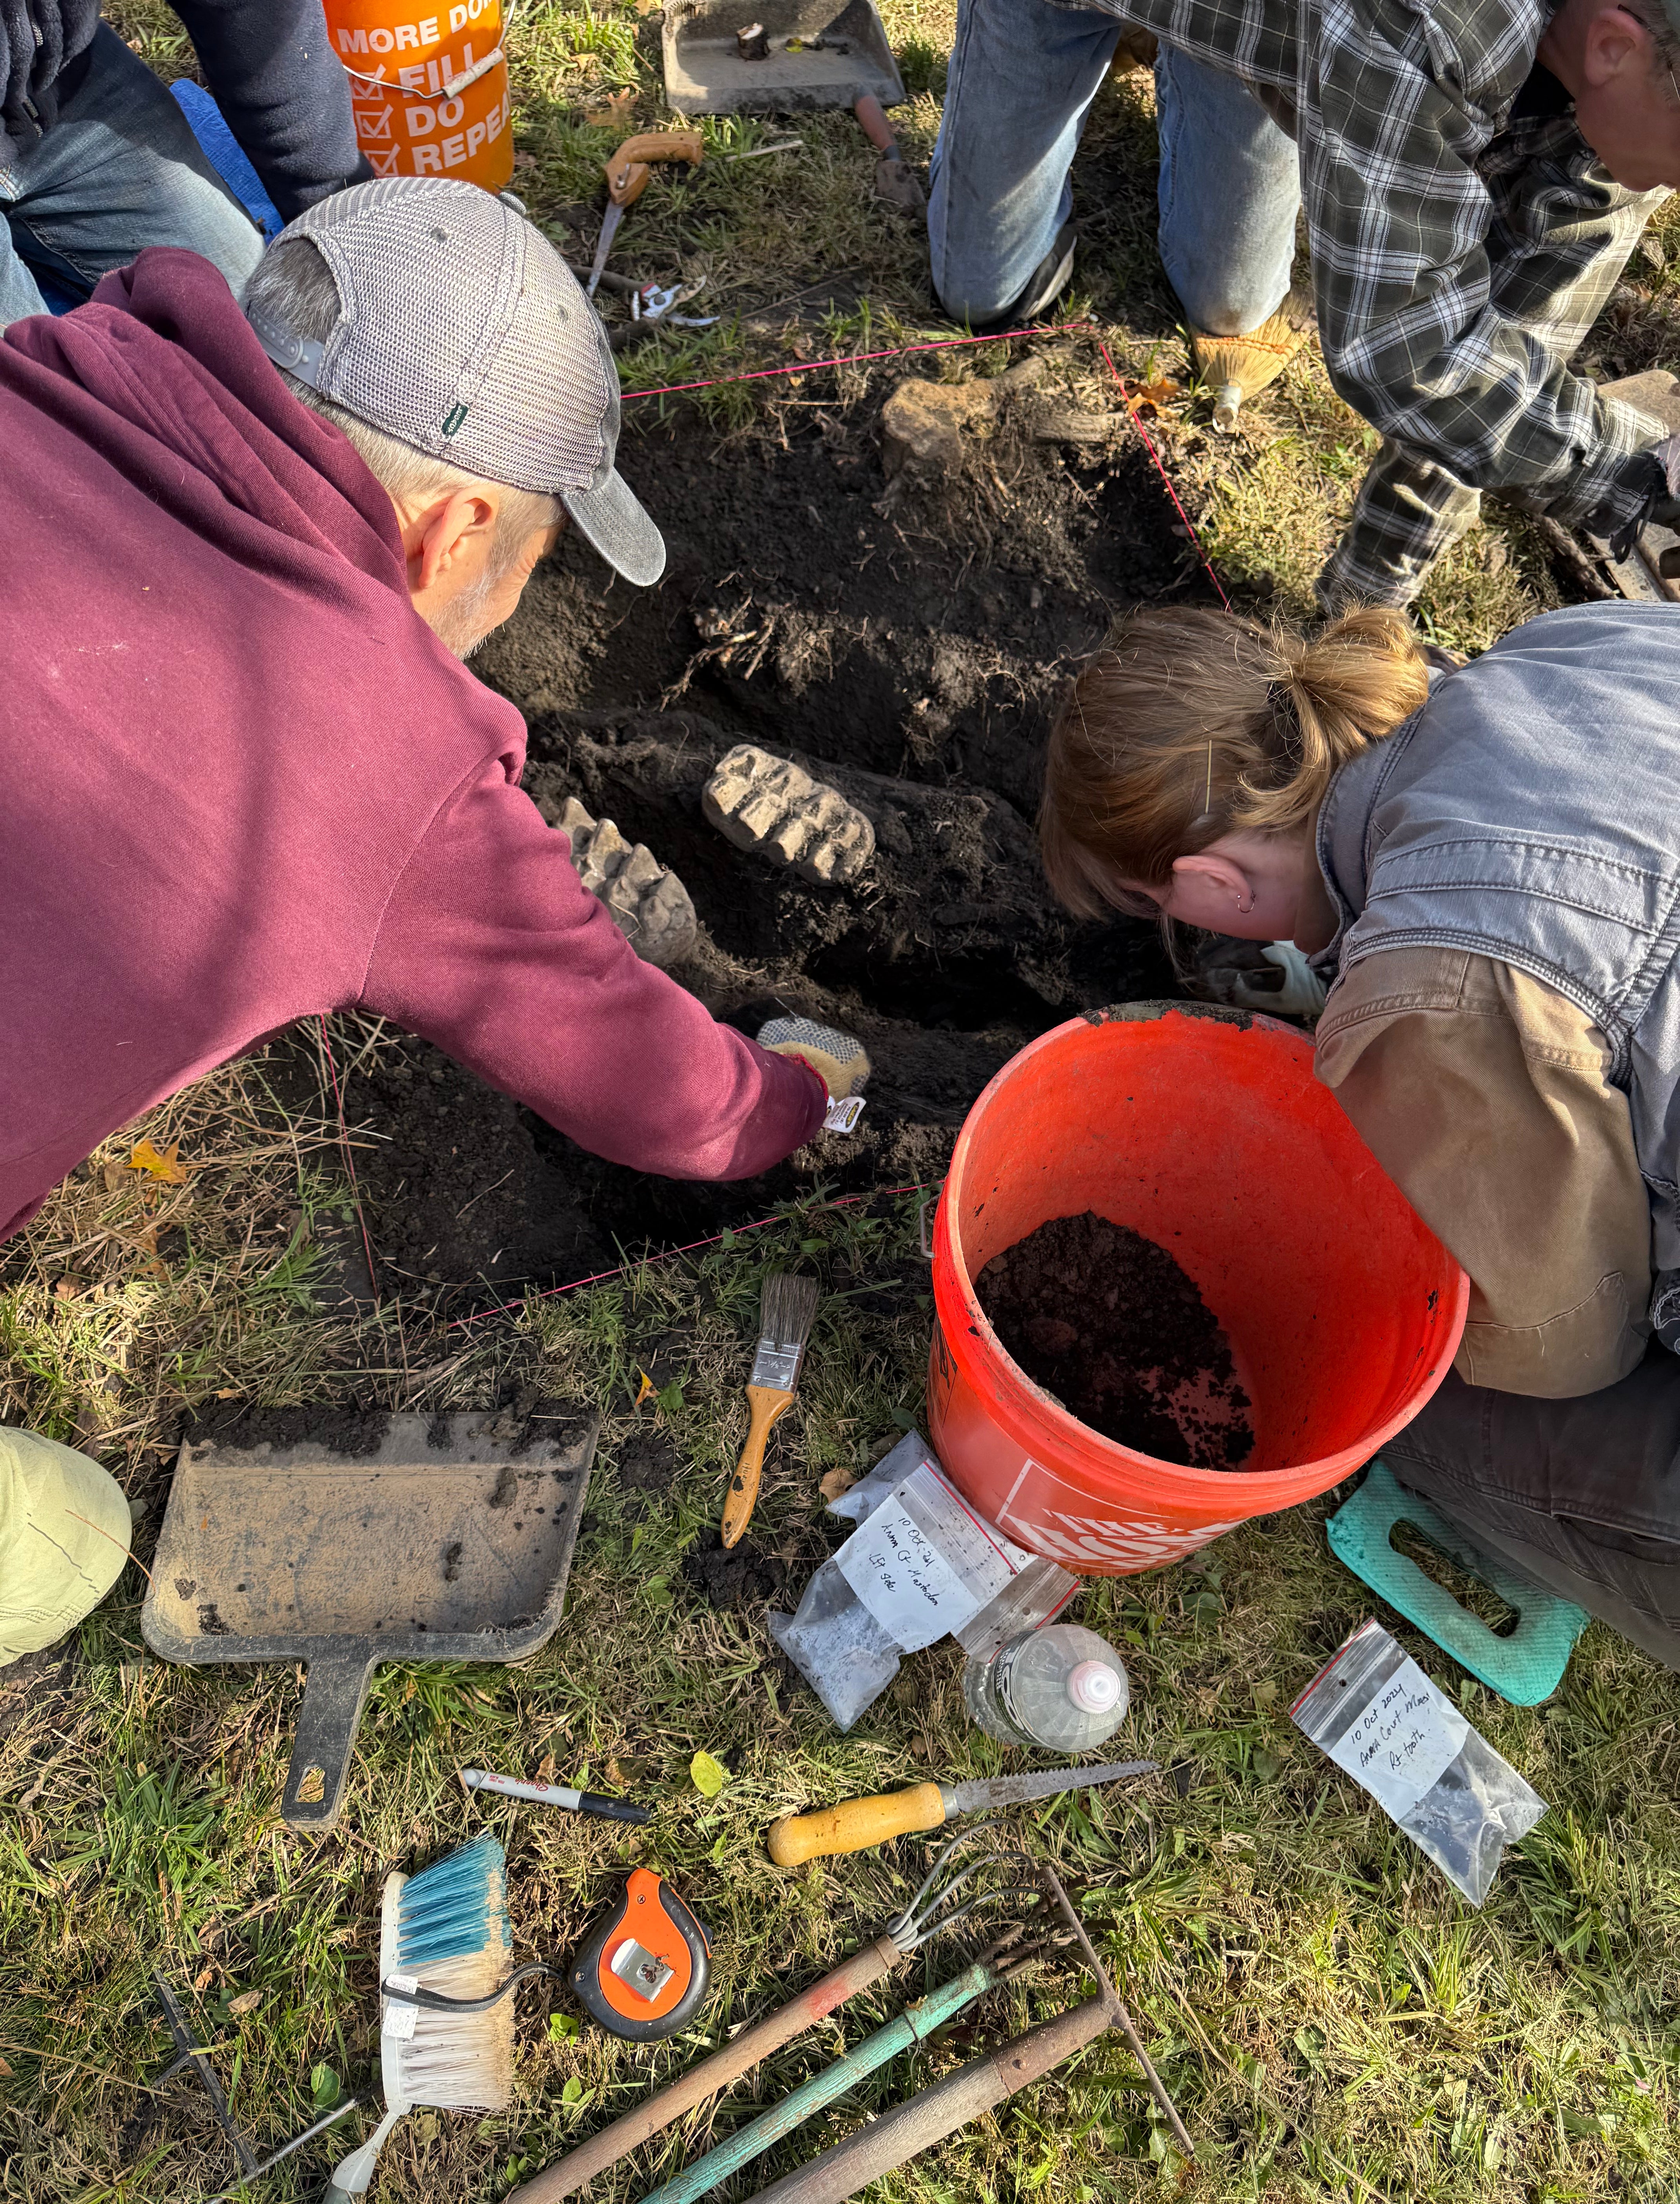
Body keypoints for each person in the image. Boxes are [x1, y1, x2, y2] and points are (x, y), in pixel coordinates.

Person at [0, 175, 868, 1659]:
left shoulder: (42, 374)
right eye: (528, 558)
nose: (514, 596)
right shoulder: (363, 745)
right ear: (453, 523)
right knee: (65, 1539)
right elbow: (666, 1102)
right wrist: (805, 1096)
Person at [1037, 594, 1680, 1671]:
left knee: (1395, 1404)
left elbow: (1569, 1340)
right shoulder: (1573, 639)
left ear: (1209, 885)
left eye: (1162, 907)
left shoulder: (1438, 994)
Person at [929, 0, 1680, 610]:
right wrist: (1643, 482)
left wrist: (1364, 607)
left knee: (1231, 303)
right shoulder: (1441, 20)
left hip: (1327, 30)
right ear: (1612, 47)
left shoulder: (1629, 108)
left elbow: (1492, 369)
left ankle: (1234, 51)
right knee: (983, 294)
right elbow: (1404, 354)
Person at [0, 2, 368, 324]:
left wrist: (345, 219)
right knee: (37, 387)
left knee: (255, 312)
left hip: (52, 84)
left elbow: (264, 28)